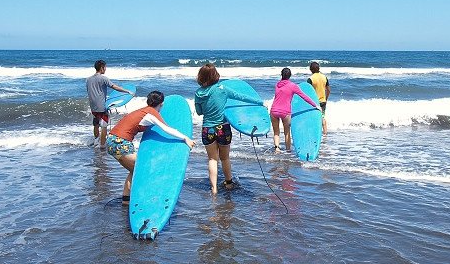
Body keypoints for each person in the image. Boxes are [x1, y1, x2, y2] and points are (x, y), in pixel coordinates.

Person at [106, 91, 195, 205]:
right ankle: (149, 197)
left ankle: (126, 200)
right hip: (120, 143)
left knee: (134, 170)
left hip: (111, 141)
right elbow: (166, 129)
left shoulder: (142, 111)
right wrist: (185, 138)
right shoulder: (151, 113)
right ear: (161, 104)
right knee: (143, 169)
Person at [194, 63, 265, 194]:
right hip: (223, 128)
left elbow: (199, 112)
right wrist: (260, 103)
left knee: (212, 159)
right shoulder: (223, 89)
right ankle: (228, 183)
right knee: (225, 158)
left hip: (207, 129)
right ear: (215, 75)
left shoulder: (198, 93)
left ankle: (214, 188)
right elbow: (241, 97)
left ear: (201, 76)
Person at [270, 67, 322, 153]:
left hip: (274, 110)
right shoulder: (293, 86)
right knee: (287, 133)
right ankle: (288, 151)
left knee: (276, 132)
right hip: (285, 112)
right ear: (290, 76)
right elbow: (304, 96)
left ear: (281, 75)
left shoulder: (277, 85)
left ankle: (277, 148)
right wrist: (315, 105)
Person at [86, 60, 134, 147]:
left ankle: (96, 141)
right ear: (101, 68)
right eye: (105, 67)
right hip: (101, 105)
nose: (105, 69)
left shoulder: (88, 79)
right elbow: (114, 87)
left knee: (96, 124)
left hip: (93, 105)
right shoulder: (103, 78)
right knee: (104, 125)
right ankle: (102, 145)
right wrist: (127, 91)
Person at [307, 61, 330, 134]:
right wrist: (325, 98)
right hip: (323, 101)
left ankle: (315, 133)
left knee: (313, 118)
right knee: (322, 117)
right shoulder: (324, 77)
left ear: (311, 69)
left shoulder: (310, 79)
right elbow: (329, 90)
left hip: (314, 102)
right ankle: (325, 134)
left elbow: (308, 92)